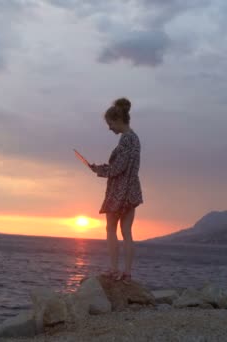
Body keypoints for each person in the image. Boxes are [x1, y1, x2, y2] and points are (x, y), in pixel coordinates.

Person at [91, 98, 143, 284]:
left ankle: (113, 270)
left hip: (120, 192)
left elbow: (118, 168)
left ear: (118, 120)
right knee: (127, 232)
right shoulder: (135, 138)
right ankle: (127, 273)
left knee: (111, 229)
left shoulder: (126, 139)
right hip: (132, 190)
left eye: (110, 123)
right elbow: (126, 166)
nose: (110, 128)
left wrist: (100, 170)